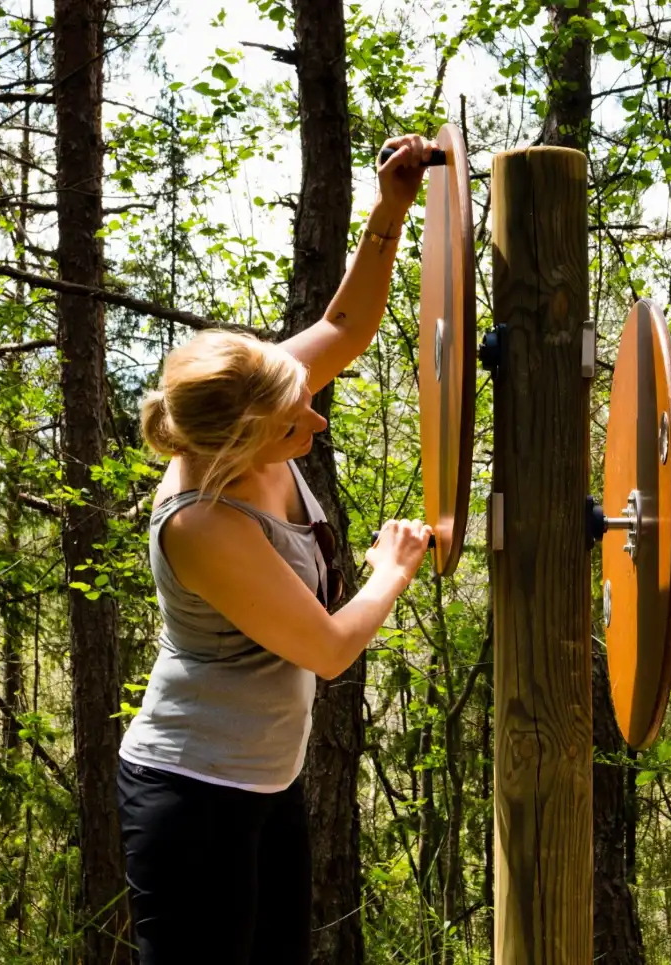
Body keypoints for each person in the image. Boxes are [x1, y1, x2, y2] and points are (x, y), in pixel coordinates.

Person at [116, 134, 438, 965]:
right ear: (240, 444)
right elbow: (327, 650)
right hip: (193, 791)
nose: (316, 418)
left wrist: (390, 209)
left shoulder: (253, 393)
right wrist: (391, 569)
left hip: (264, 774)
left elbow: (343, 325)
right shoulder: (202, 522)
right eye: (296, 425)